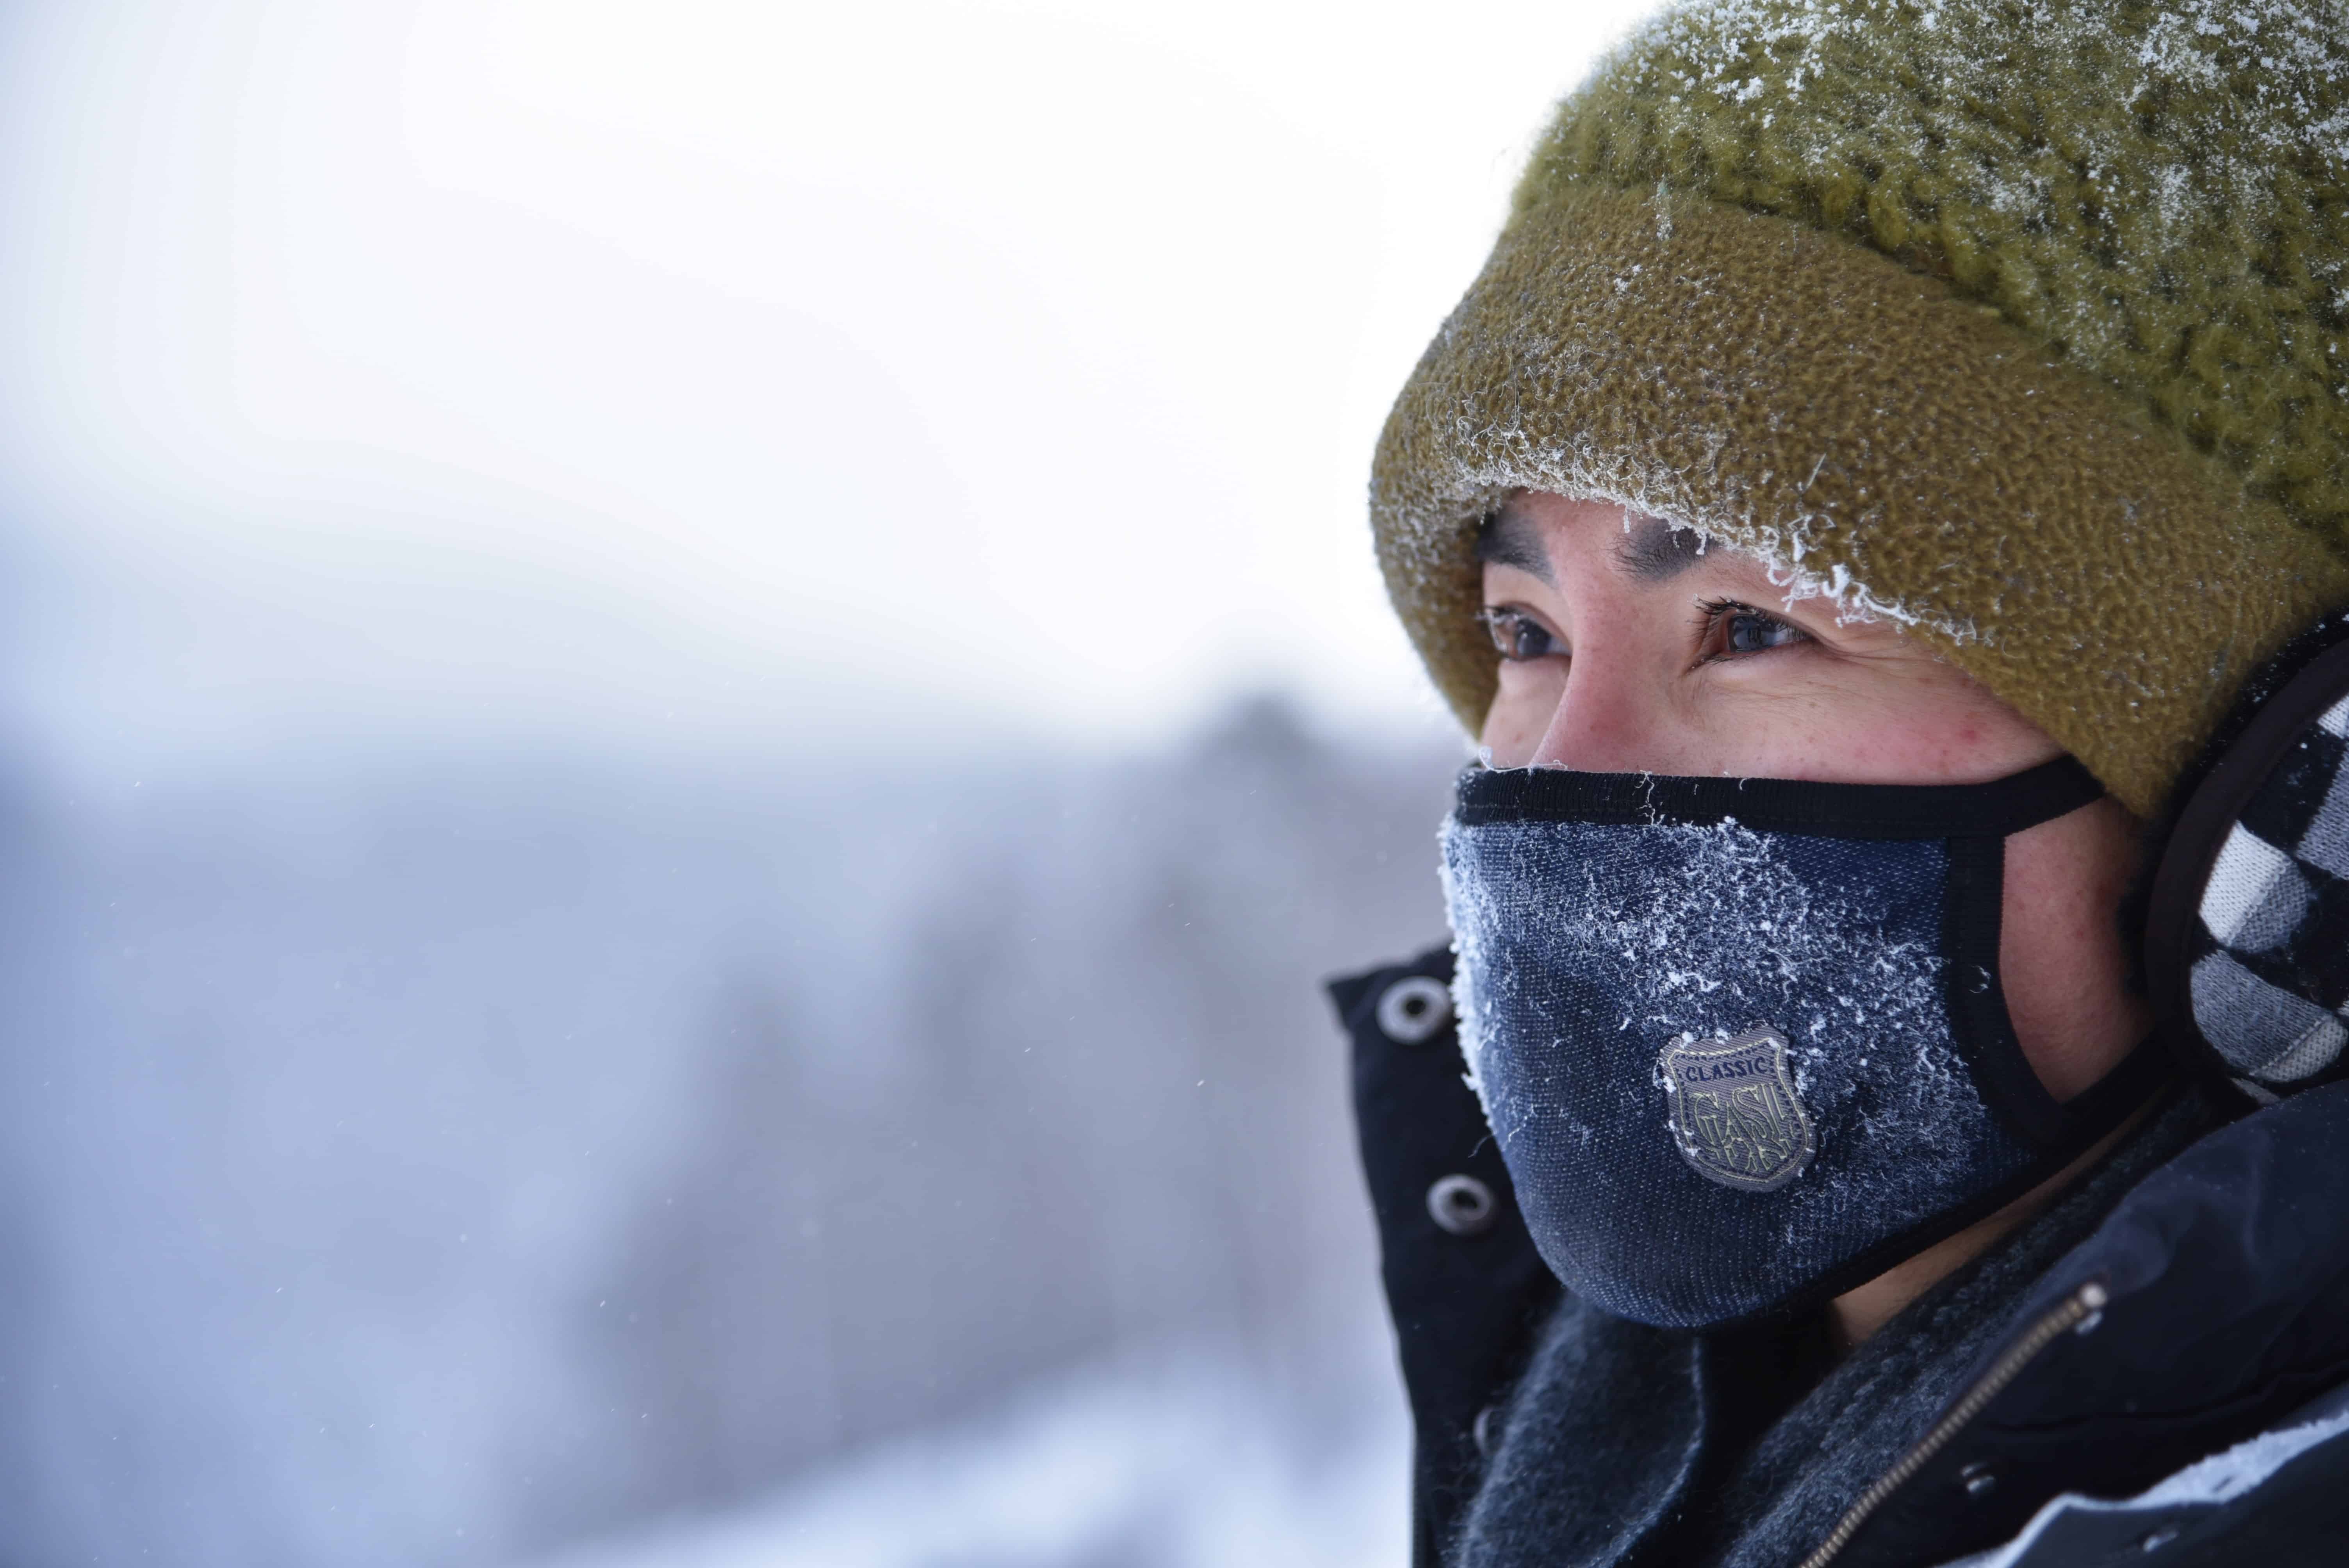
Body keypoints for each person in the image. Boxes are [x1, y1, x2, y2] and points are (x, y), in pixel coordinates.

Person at [1328, 3, 2349, 1564]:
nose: (1565, 775)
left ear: (2268, 769)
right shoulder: (1568, 1422)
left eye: (1751, 625)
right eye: (1522, 632)